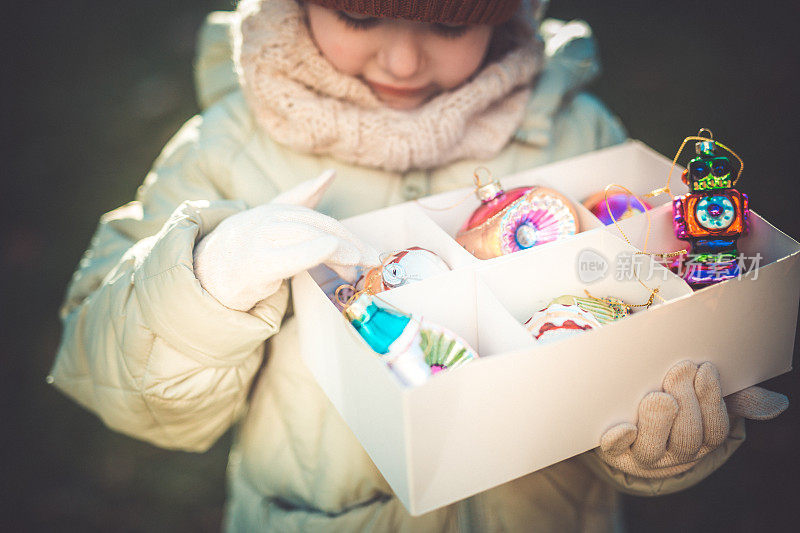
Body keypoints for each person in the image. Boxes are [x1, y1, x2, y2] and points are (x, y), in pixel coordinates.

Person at [48, 0, 787, 530]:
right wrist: (206, 281)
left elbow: (622, 337)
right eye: (361, 17)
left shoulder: (574, 134)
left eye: (445, 23)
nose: (402, 59)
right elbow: (119, 388)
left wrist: (638, 436)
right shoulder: (226, 151)